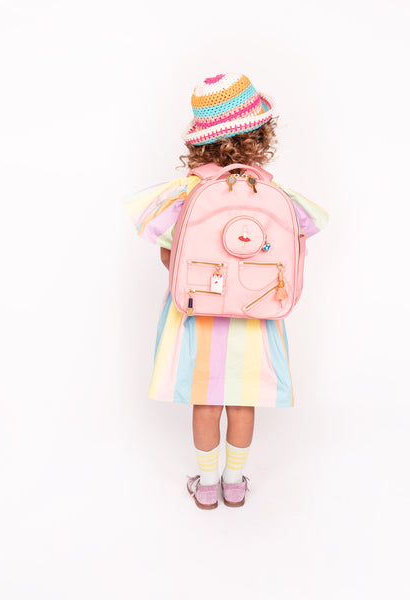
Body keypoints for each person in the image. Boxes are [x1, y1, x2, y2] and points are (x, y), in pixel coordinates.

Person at [125, 73, 328, 509]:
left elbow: (169, 256)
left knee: (205, 400)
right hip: (255, 312)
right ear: (260, 135)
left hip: (197, 315)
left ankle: (206, 485)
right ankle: (234, 484)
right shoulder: (270, 192)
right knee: (242, 400)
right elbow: (296, 249)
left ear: (201, 142)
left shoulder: (187, 191)